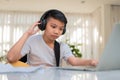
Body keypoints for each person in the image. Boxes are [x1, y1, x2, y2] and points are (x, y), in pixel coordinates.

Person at [7, 9, 98, 67]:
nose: (57, 31)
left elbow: (73, 61)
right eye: (53, 26)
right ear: (43, 25)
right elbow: (11, 58)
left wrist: (90, 61)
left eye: (61, 29)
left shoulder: (62, 47)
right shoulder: (32, 41)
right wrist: (27, 34)